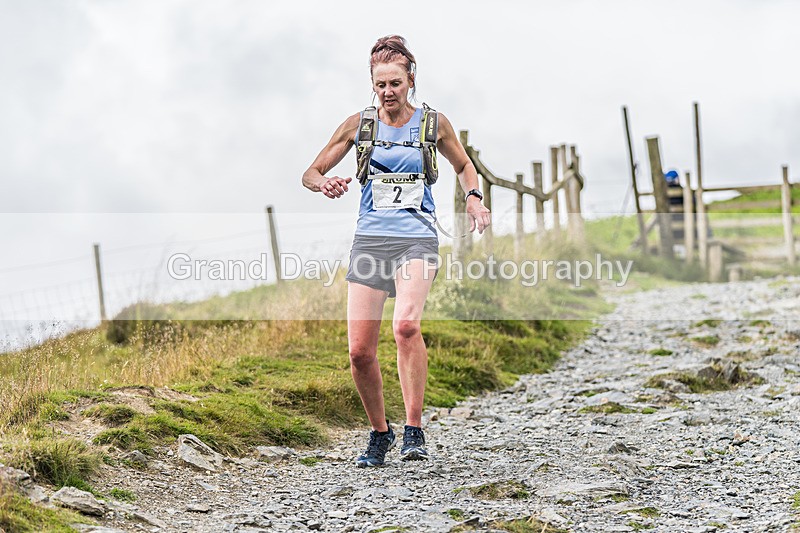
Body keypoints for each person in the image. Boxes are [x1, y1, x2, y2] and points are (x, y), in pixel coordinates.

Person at [302, 35, 491, 467]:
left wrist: (474, 197)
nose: (388, 92)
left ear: (411, 80)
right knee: (359, 352)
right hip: (370, 241)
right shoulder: (358, 126)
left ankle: (413, 430)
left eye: (395, 83)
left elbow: (463, 165)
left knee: (406, 326)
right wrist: (323, 183)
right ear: (372, 83)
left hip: (416, 238)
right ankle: (379, 434)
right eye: (380, 84)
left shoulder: (432, 124)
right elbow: (310, 172)